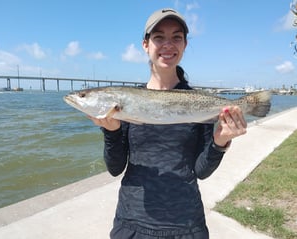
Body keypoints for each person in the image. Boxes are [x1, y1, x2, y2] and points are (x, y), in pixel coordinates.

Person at [89, 8, 247, 239]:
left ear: (184, 45)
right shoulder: (126, 101)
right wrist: (111, 131)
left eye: (176, 37)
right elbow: (115, 169)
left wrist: (220, 141)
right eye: (159, 37)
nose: (168, 44)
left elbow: (201, 171)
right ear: (145, 45)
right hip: (132, 222)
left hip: (186, 224)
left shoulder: (199, 103)